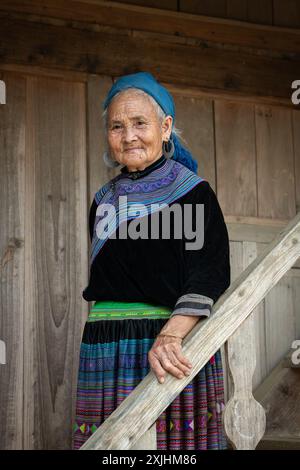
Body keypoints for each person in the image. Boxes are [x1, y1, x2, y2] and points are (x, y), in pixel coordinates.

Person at [72, 72, 231, 450]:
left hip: (168, 344)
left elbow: (209, 272)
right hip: (106, 345)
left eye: (140, 123)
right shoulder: (103, 200)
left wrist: (172, 334)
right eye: (117, 126)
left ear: (165, 128)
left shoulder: (192, 192)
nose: (128, 136)